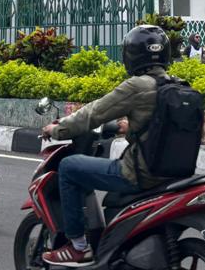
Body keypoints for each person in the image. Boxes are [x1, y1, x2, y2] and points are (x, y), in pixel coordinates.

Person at [39, 25, 174, 267]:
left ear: (131, 55)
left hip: (140, 174)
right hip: (174, 175)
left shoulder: (137, 86)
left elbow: (94, 113)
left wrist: (56, 129)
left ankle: (78, 247)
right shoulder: (178, 86)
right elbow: (162, 127)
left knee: (69, 167)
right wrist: (130, 127)